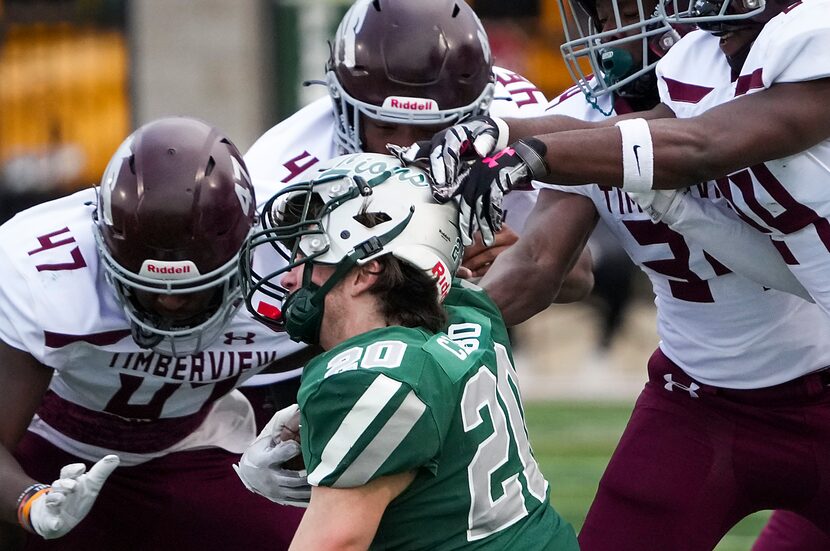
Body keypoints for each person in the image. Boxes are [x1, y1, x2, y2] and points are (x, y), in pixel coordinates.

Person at [405, 0, 830, 548]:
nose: (602, 35)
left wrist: (525, 145)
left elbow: (696, 143)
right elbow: (538, 260)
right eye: (597, 18)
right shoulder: (660, 93)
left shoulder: (769, 77)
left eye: (614, 13)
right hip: (699, 402)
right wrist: (417, 346)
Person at [239, 0, 594, 431]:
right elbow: (283, 328)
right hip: (303, 365)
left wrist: (522, 255)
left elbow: (578, 275)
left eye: (431, 131)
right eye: (385, 127)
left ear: (478, 113)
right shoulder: (283, 172)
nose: (406, 150)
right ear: (347, 110)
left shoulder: (516, 117)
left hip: (445, 354)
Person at [237, 151, 579, 550]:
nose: (291, 274)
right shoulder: (466, 311)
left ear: (368, 269)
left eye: (309, 248)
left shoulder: (365, 380)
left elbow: (333, 543)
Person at [0, 117, 304, 550]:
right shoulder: (40, 275)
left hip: (191, 447)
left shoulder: (286, 273)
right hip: (53, 449)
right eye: (146, 287)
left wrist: (298, 432)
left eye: (193, 289)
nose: (171, 303)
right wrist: (30, 503)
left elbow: (363, 367)